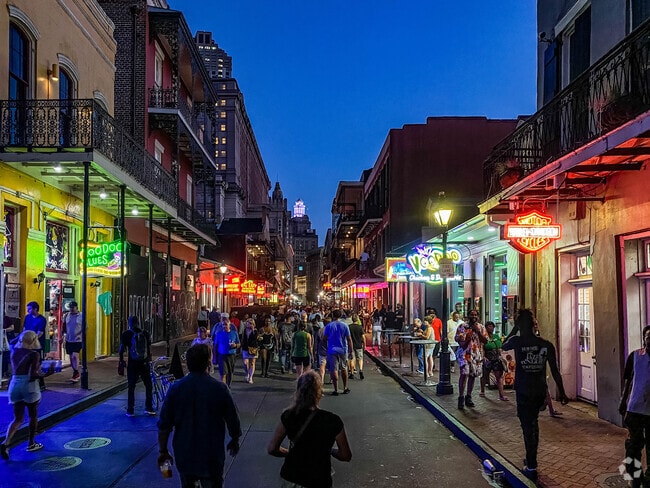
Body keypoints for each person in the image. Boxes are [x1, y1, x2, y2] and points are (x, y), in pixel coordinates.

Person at [158, 344, 241, 488]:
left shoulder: (175, 389)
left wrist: (163, 451)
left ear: (188, 364)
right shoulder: (220, 388)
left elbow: (164, 425)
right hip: (211, 454)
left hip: (185, 453)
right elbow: (232, 418)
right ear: (208, 363)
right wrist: (234, 439)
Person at [502, 309, 568, 481]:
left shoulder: (517, 341)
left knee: (527, 426)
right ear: (534, 325)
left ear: (520, 326)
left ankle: (531, 463)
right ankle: (531, 458)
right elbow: (555, 370)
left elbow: (503, 345)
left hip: (524, 391)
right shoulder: (546, 345)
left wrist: (515, 329)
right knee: (533, 424)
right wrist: (562, 391)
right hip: (539, 391)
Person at [267, 370, 352, 488]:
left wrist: (289, 452)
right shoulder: (332, 420)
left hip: (292, 477)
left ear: (298, 392)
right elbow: (346, 455)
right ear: (319, 393)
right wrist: (331, 450)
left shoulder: (289, 416)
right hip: (319, 479)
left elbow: (272, 449)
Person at [1, 330, 55, 459]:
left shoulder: (14, 351)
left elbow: (14, 342)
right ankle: (31, 443)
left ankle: (6, 442)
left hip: (15, 384)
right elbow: (34, 375)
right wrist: (49, 372)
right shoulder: (33, 355)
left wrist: (22, 336)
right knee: (32, 416)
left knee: (18, 418)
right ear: (34, 341)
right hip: (29, 386)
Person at [620, 325, 650, 488]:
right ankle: (635, 477)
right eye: (648, 337)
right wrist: (623, 401)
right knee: (633, 447)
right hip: (636, 408)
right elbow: (628, 381)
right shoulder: (635, 356)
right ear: (644, 339)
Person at [118, 316, 155, 417]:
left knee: (131, 387)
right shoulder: (145, 333)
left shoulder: (126, 334)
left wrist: (121, 361)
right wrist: (149, 361)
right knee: (148, 385)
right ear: (138, 322)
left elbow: (121, 349)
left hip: (133, 364)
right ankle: (149, 407)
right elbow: (149, 349)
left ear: (129, 323)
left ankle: (130, 410)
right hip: (144, 363)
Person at [455, 309, 486, 410]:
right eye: (472, 315)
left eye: (475, 315)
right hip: (465, 354)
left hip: (476, 355)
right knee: (464, 374)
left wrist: (477, 331)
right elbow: (460, 342)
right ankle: (461, 397)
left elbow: (485, 340)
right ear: (468, 316)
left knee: (472, 375)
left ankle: (469, 396)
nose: (474, 316)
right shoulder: (462, 326)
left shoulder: (481, 327)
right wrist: (468, 336)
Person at [323, 309, 354, 396]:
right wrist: (351, 351)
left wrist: (326, 347)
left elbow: (324, 339)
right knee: (344, 368)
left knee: (334, 369)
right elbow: (349, 339)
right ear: (340, 316)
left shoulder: (329, 326)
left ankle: (336, 389)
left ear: (333, 316)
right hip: (343, 349)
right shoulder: (345, 325)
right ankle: (345, 387)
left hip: (332, 350)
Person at [479, 321, 508, 401]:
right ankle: (482, 391)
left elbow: (500, 346)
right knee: (485, 375)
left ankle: (501, 395)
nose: (490, 328)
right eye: (489, 326)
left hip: (496, 358)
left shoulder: (496, 336)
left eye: (492, 326)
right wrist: (483, 356)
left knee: (499, 377)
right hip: (488, 357)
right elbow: (482, 347)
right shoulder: (484, 337)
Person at [23, 302, 47, 391]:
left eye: (29, 309)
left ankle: (41, 383)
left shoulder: (41, 319)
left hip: (37, 345)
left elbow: (40, 333)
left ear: (35, 309)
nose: (27, 311)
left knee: (37, 364)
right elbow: (24, 329)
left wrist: (31, 340)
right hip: (27, 345)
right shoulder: (27, 317)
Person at [62, 301, 82, 382]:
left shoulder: (81, 316)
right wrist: (62, 337)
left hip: (78, 340)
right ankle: (75, 372)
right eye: (70, 308)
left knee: (74, 356)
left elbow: (85, 327)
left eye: (72, 308)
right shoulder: (66, 315)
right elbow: (64, 327)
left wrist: (79, 334)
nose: (71, 309)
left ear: (76, 307)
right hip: (69, 339)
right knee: (70, 356)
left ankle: (76, 372)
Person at [215, 319, 239, 386]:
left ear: (229, 325)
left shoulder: (234, 333)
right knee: (223, 373)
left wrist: (235, 345)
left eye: (226, 324)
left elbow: (239, 343)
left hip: (231, 355)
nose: (224, 326)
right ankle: (223, 388)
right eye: (223, 325)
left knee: (230, 373)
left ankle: (228, 387)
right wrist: (214, 357)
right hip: (222, 355)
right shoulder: (219, 334)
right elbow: (215, 345)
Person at [348, 313, 365, 380]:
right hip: (359, 345)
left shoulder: (349, 327)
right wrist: (364, 345)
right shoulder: (360, 327)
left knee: (352, 359)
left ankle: (352, 373)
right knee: (360, 358)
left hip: (351, 345)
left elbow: (348, 337)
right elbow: (363, 337)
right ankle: (360, 369)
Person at [241, 319, 258, 383]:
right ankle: (247, 373)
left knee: (252, 363)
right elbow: (243, 339)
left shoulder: (255, 331)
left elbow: (255, 339)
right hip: (245, 348)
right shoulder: (245, 330)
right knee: (245, 362)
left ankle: (251, 377)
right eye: (248, 323)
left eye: (251, 323)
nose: (249, 325)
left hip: (253, 348)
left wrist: (253, 330)